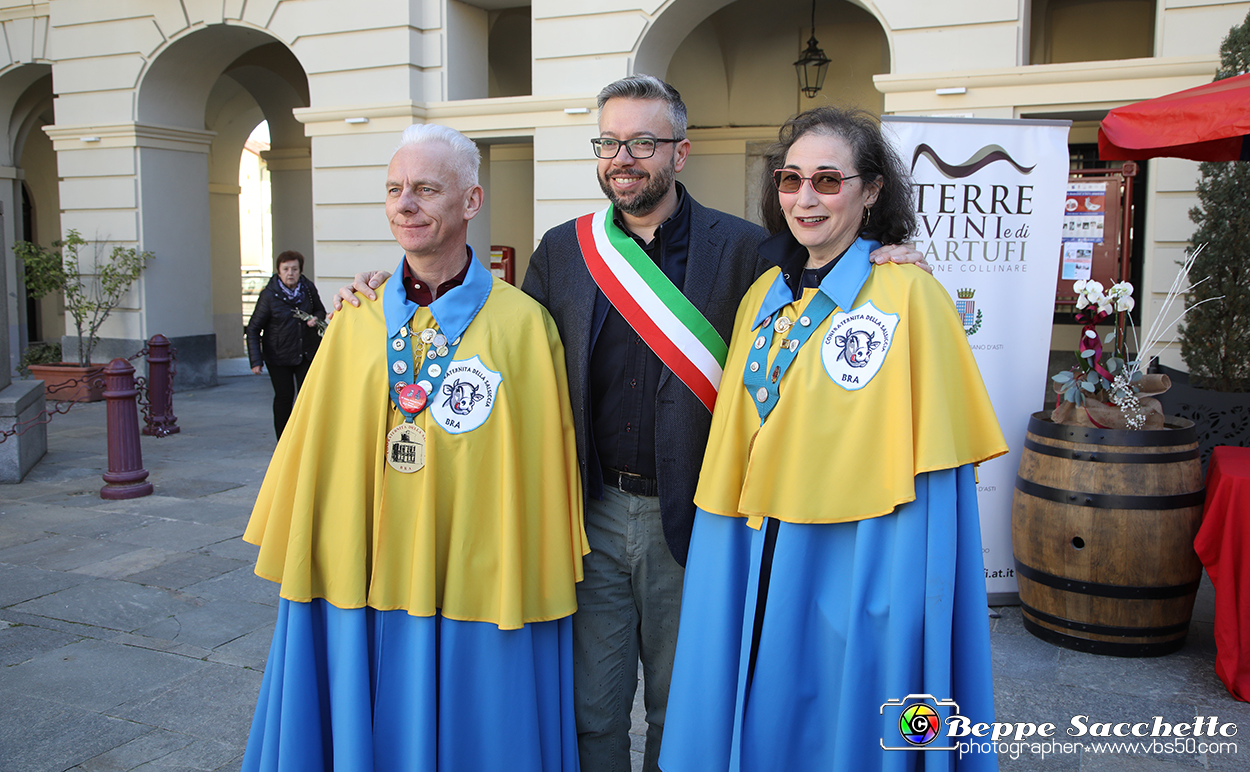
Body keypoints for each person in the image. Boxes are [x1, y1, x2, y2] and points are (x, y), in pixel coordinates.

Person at [335, 77, 928, 772]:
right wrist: (390, 289)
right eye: (610, 142)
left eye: (643, 142)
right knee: (591, 709)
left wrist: (893, 255)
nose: (624, 157)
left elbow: (827, 280)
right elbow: (498, 349)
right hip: (592, 516)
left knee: (684, 710)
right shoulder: (564, 250)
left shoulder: (746, 249)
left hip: (699, 521)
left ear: (679, 152)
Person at [658, 107, 1007, 772]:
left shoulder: (910, 294)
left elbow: (933, 479)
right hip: (760, 544)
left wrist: (900, 601)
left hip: (858, 561)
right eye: (791, 180)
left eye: (827, 180)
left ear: (872, 190)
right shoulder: (763, 293)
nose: (805, 198)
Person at [241, 124, 588, 771]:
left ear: (471, 201)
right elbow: (320, 454)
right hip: (364, 569)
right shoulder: (355, 318)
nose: (406, 203)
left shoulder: (523, 324)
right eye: (396, 189)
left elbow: (537, 470)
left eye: (426, 188)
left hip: (474, 577)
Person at [245, 250, 325, 438]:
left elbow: (320, 309)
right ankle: (283, 440)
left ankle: (305, 438)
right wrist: (256, 361)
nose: (291, 273)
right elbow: (253, 328)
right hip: (278, 355)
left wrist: (316, 318)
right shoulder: (269, 295)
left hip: (305, 353)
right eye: (286, 269)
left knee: (307, 398)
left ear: (300, 271)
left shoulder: (307, 289)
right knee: (284, 398)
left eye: (295, 269)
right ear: (279, 272)